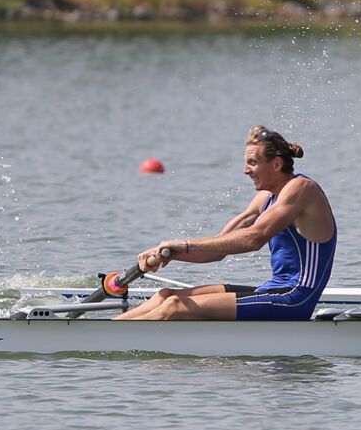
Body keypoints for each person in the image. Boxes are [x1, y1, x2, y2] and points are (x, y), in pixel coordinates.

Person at [116, 125, 336, 321]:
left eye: (253, 163)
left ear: (276, 164)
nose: (245, 170)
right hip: (273, 291)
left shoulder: (302, 189)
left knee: (175, 307)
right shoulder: (265, 198)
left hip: (295, 299)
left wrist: (182, 244)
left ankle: (111, 339)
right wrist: (168, 252)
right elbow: (217, 250)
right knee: (165, 296)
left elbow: (254, 238)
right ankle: (110, 330)